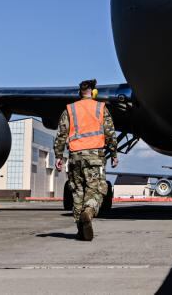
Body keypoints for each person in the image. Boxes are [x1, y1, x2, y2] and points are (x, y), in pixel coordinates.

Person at [54, 79, 117, 241]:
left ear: (79, 93)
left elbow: (61, 134)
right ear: (93, 92)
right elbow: (110, 133)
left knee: (77, 192)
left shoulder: (70, 109)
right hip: (95, 157)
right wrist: (114, 153)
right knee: (96, 190)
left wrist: (58, 156)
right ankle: (88, 213)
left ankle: (80, 230)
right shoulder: (101, 108)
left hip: (75, 157)